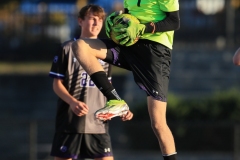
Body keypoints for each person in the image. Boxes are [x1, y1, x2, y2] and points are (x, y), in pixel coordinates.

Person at [71, 1, 180, 160]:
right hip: (129, 45)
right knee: (80, 46)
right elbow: (130, 16)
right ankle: (115, 100)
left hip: (155, 53)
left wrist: (144, 28)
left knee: (158, 123)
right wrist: (115, 20)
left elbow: (174, 21)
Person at [49, 4, 133, 160]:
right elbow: (57, 84)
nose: (96, 23)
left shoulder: (105, 51)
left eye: (100, 20)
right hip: (71, 124)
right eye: (92, 19)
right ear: (80, 21)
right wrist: (73, 102)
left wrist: (120, 107)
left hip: (98, 124)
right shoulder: (66, 48)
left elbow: (107, 86)